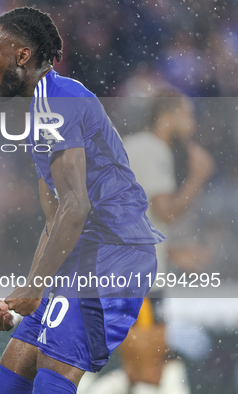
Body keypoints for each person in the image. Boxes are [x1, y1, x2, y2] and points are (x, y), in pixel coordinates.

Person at [0, 7, 165, 393]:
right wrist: (28, 292)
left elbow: (75, 207)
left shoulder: (58, 100)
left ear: (22, 56)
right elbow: (55, 220)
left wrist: (34, 287)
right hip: (82, 254)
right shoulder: (40, 110)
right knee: (10, 378)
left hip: (114, 253)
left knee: (51, 380)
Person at [116, 91, 214, 394]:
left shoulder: (131, 146)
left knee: (136, 372)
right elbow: (165, 212)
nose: (192, 125)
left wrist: (169, 250)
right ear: (167, 116)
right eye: (187, 115)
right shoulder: (154, 149)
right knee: (149, 373)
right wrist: (198, 177)